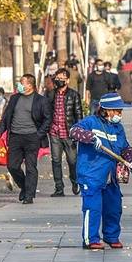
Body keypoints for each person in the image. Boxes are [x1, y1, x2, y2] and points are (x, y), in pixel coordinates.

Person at [69, 92, 132, 250]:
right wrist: (90, 137)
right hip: (91, 174)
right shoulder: (90, 122)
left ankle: (111, 236)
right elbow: (73, 131)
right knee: (93, 207)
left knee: (114, 207)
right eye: (117, 111)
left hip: (110, 176)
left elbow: (125, 147)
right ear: (107, 110)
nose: (120, 114)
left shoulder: (118, 128)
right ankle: (91, 239)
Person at [0, 73, 49, 204]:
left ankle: (29, 196)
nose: (19, 85)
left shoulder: (40, 100)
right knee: (12, 166)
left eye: (22, 82)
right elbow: (6, 116)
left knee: (31, 167)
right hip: (15, 136)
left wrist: (39, 134)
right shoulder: (14, 98)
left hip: (32, 137)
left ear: (30, 85)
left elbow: (48, 119)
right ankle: (24, 187)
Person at [48, 67, 82, 196]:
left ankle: (75, 181)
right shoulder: (51, 94)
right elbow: (47, 112)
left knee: (72, 161)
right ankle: (59, 188)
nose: (59, 81)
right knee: (56, 160)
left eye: (62, 79)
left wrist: (78, 132)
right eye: (57, 78)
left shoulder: (74, 95)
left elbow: (78, 114)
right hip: (54, 132)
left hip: (69, 133)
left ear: (67, 80)